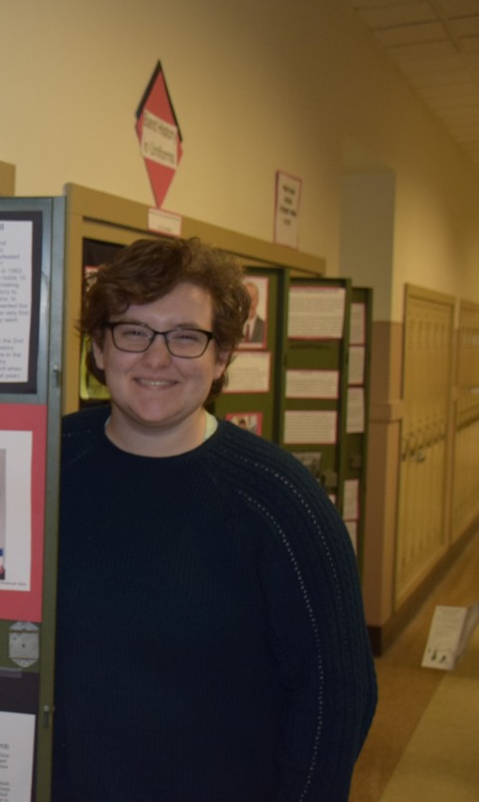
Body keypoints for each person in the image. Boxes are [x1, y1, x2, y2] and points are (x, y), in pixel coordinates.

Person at [53, 237, 376, 801]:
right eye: (133, 332)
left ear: (221, 356)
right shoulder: (46, 467)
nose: (157, 359)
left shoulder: (282, 501)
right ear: (99, 349)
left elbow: (336, 698)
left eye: (186, 337)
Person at [242, 277, 267, 345]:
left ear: (257, 301)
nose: (249, 304)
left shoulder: (264, 326)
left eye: (252, 299)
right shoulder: (233, 326)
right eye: (246, 299)